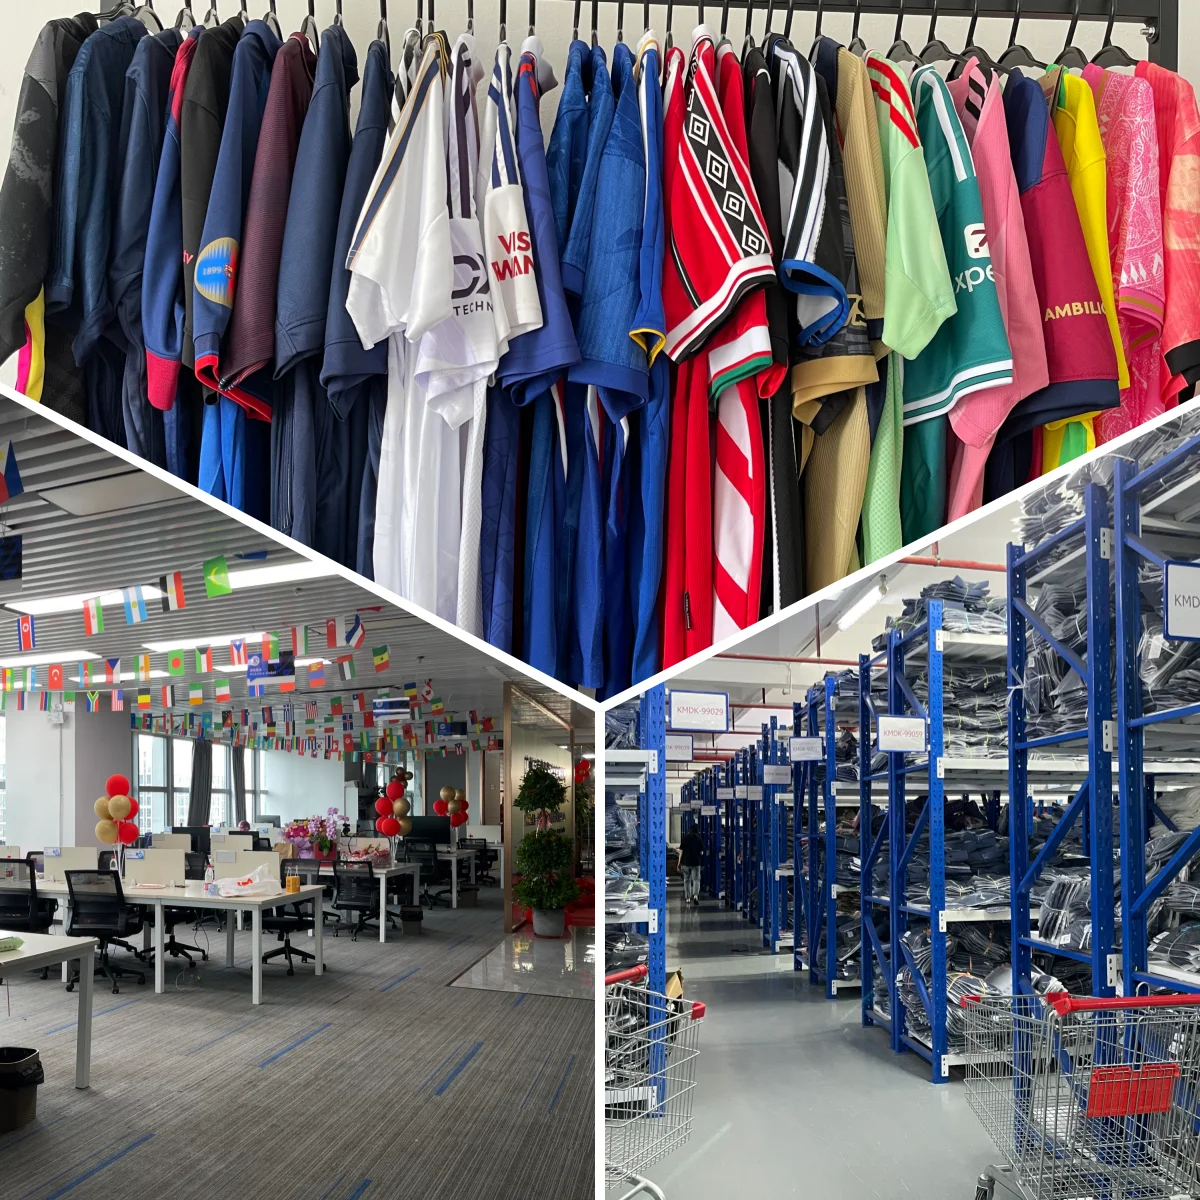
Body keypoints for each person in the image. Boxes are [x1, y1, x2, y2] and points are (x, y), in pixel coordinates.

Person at [679, 827, 704, 907]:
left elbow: (681, 851)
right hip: (696, 863)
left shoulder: (685, 839)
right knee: (696, 880)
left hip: (685, 863)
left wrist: (679, 863)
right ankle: (695, 896)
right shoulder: (699, 840)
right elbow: (701, 852)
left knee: (687, 880)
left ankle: (688, 898)